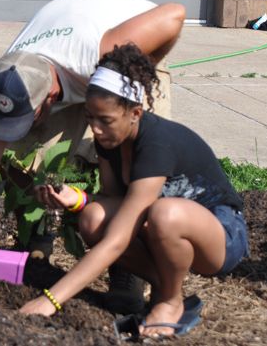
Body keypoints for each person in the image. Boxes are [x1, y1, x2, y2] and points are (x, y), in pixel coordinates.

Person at [0, 0, 186, 305]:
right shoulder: (8, 82)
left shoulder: (103, 52)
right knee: (20, 156)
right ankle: (37, 238)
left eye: (25, 117)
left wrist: (134, 72)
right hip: (64, 57)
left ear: (49, 98)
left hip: (127, 53)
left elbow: (174, 12)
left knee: (129, 169)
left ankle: (129, 274)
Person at [19, 43, 249, 339]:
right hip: (166, 228)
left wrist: (51, 300)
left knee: (164, 213)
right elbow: (117, 204)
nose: (96, 130)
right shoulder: (111, 141)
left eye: (106, 120)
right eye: (91, 117)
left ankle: (169, 301)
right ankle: (168, 285)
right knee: (92, 218)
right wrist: (76, 200)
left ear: (135, 113)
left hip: (221, 233)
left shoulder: (155, 144)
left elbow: (118, 240)